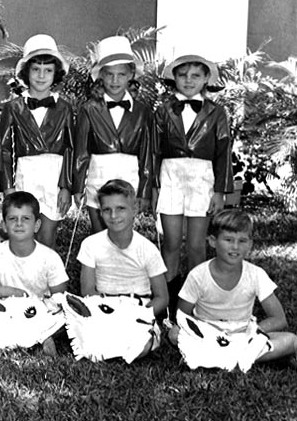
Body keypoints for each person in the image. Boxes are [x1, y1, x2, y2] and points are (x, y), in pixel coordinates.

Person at [154, 50, 233, 304]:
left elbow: (223, 153)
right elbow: (153, 151)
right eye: (183, 75)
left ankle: (195, 300)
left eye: (196, 76)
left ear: (206, 79)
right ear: (174, 78)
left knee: (197, 245)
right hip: (171, 175)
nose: (189, 80)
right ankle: (167, 299)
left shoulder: (217, 112)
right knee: (172, 242)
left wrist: (220, 191)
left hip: (202, 178)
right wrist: (153, 186)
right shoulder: (164, 111)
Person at [168, 209, 297, 365]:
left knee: (291, 341)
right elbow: (181, 317)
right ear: (212, 241)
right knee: (175, 334)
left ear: (250, 244)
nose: (235, 247)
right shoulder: (198, 275)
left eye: (242, 241)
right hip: (207, 333)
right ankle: (237, 357)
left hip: (243, 335)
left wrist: (253, 332)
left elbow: (279, 319)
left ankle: (212, 358)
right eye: (228, 240)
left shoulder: (256, 274)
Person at [0, 191, 68, 355]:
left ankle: (31, 334)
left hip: (37, 315)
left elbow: (60, 299)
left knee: (65, 314)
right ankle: (24, 335)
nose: (19, 224)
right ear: (4, 225)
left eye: (26, 219)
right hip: (4, 314)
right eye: (13, 219)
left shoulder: (50, 258)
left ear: (37, 225)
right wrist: (6, 292)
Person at [76, 179, 168, 359]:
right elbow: (87, 290)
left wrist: (140, 313)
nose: (113, 215)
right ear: (100, 213)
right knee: (86, 340)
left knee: (140, 345)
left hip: (138, 309)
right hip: (103, 307)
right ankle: (109, 346)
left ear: (134, 210)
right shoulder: (90, 244)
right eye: (107, 210)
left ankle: (122, 346)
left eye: (121, 208)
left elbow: (162, 297)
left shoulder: (147, 249)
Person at [0, 34, 74, 249]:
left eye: (48, 70)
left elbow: (70, 148)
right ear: (26, 72)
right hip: (27, 173)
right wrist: (8, 187)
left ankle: (46, 281)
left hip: (54, 174)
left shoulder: (65, 108)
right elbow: (4, 150)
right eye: (36, 69)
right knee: (24, 235)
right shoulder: (14, 107)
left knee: (47, 236)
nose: (42, 76)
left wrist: (65, 186)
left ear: (56, 73)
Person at [72, 36, 154, 234]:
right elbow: (81, 152)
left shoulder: (143, 111)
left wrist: (144, 190)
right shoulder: (89, 109)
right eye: (109, 75)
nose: (115, 80)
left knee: (124, 236)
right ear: (101, 75)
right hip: (98, 178)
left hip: (130, 178)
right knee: (99, 236)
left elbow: (148, 154)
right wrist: (77, 187)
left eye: (121, 74)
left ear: (131, 75)